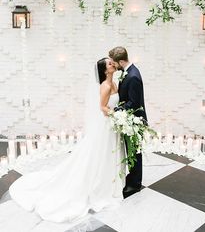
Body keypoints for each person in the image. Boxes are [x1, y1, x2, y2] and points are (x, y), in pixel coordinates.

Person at [2, 58, 125, 224]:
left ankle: (109, 182)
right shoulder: (105, 86)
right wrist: (117, 116)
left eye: (112, 62)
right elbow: (103, 108)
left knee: (108, 154)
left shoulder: (115, 83)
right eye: (110, 64)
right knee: (99, 155)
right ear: (105, 70)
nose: (113, 64)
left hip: (112, 127)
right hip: (107, 125)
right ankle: (98, 185)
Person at [109, 46, 147, 199]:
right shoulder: (127, 72)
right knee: (131, 151)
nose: (113, 65)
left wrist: (116, 109)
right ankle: (132, 178)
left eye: (114, 63)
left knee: (135, 152)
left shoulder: (133, 76)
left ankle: (135, 185)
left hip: (134, 121)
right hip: (129, 120)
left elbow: (134, 103)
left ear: (122, 61)